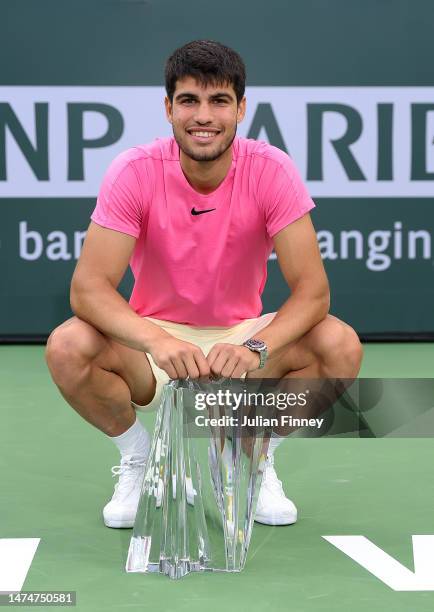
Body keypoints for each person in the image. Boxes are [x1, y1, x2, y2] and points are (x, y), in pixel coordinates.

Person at [45, 39, 363, 529]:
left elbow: (313, 292)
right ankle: (140, 459)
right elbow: (89, 288)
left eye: (219, 101)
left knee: (338, 344)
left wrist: (256, 346)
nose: (204, 116)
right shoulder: (134, 171)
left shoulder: (271, 169)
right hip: (152, 344)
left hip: (240, 336)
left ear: (241, 109)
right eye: (189, 100)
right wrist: (157, 338)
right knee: (68, 346)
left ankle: (248, 454)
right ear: (168, 108)